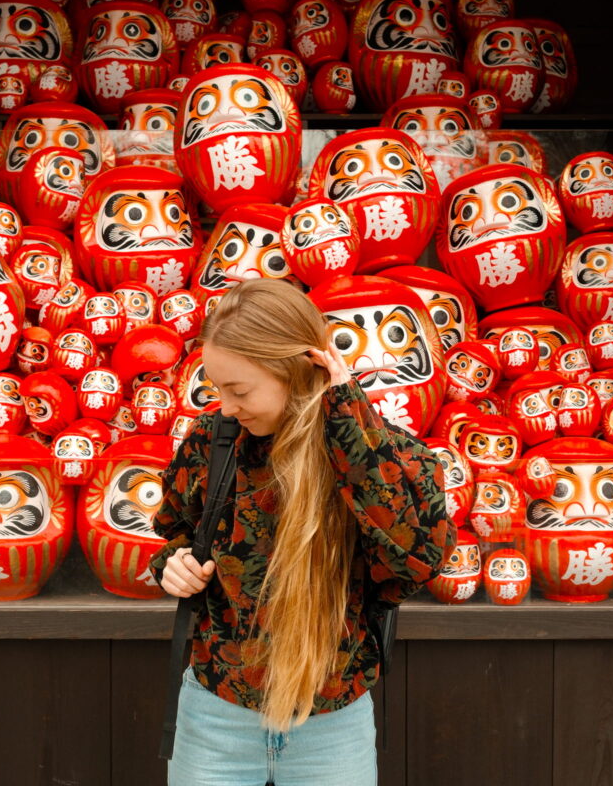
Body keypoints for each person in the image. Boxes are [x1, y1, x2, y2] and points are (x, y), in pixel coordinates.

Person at [149, 279, 452, 786]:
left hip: (332, 723)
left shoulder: (388, 453)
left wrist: (345, 423)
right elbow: (174, 533)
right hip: (215, 713)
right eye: (217, 388)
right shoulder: (213, 442)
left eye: (239, 390)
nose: (225, 406)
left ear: (296, 370)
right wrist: (174, 565)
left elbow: (417, 560)